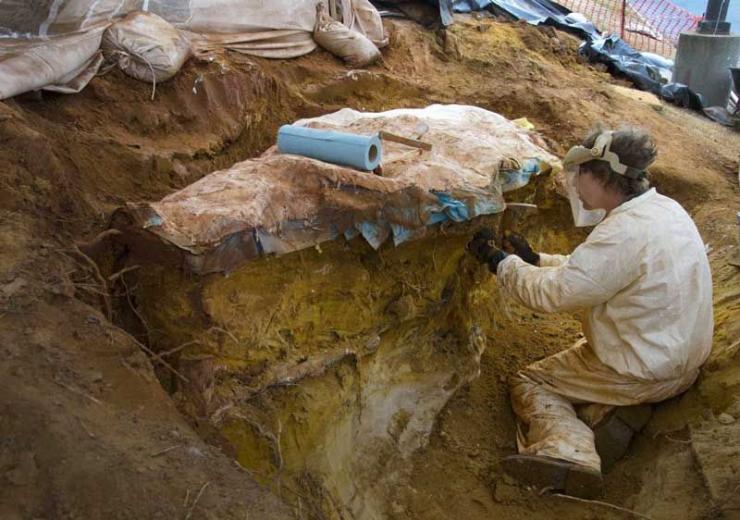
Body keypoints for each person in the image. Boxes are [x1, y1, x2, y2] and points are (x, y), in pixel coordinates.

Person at [468, 127, 713, 498]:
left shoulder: (623, 233)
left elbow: (553, 295)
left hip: (642, 368)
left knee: (530, 381)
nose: (576, 186)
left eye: (580, 175)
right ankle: (607, 412)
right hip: (679, 358)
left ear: (599, 176)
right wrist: (535, 260)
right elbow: (594, 272)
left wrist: (499, 262)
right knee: (587, 357)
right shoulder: (664, 210)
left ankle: (569, 451)